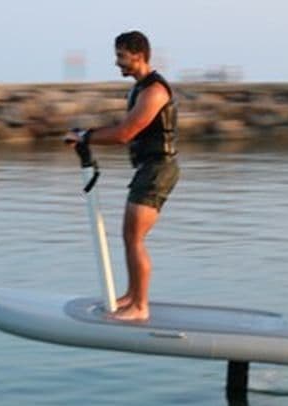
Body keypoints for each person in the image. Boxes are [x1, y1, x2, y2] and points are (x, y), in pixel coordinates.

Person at [64, 30, 179, 322]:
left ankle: (140, 306)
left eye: (120, 56)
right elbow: (122, 126)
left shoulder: (155, 91)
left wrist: (86, 136)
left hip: (158, 170)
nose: (117, 63)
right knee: (130, 237)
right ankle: (132, 294)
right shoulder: (138, 88)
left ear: (138, 55)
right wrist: (86, 135)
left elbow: (125, 133)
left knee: (134, 237)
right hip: (147, 169)